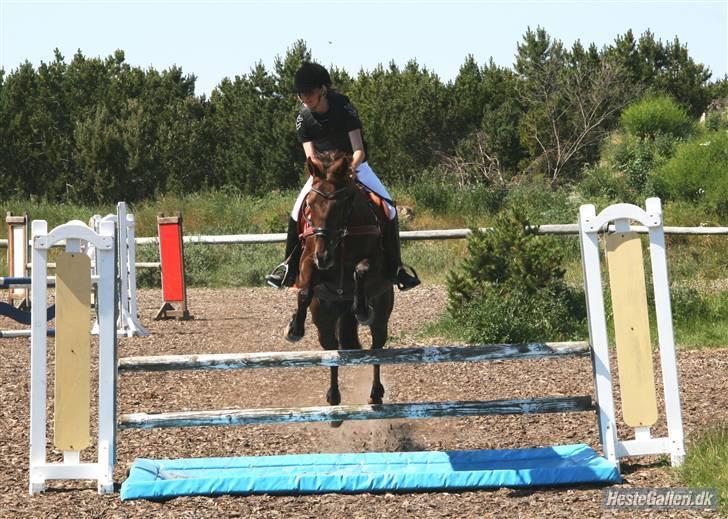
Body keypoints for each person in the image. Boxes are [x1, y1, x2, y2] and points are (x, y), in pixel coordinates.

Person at [266, 61, 420, 291]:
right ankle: (288, 267)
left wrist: (349, 169)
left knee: (389, 209)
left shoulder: (343, 107)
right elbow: (311, 157)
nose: (305, 98)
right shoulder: (303, 119)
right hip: (323, 173)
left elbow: (359, 149)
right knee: (297, 211)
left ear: (322, 89)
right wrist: (325, 173)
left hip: (355, 166)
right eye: (301, 94)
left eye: (309, 92)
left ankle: (397, 268)